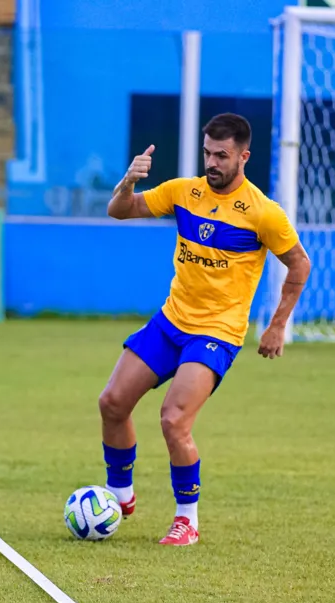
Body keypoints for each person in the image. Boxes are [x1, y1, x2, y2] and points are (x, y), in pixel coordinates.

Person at [99, 113, 311, 546]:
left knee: (174, 420)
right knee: (112, 402)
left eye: (222, 155)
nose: (212, 162)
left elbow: (299, 264)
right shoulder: (184, 192)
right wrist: (128, 182)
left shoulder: (264, 214)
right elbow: (120, 211)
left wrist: (277, 326)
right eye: (207, 153)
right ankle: (119, 497)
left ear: (243, 157)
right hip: (170, 322)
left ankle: (186, 520)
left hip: (216, 332)